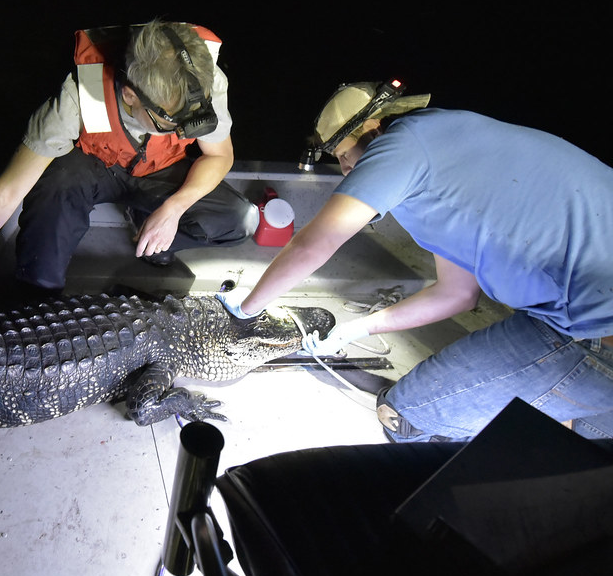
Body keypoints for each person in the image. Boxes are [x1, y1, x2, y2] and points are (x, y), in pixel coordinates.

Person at [219, 80, 613, 442]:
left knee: (403, 416)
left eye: (344, 155)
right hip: (583, 314)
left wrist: (247, 308)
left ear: (373, 131)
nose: (345, 170)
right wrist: (360, 328)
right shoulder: (451, 153)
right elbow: (456, 294)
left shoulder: (403, 145)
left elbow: (313, 246)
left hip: (594, 332)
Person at [0, 20, 257, 337]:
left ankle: (151, 229)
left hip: (159, 170)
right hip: (92, 164)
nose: (187, 132)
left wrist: (174, 207)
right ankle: (38, 299)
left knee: (241, 219)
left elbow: (219, 154)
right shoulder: (74, 98)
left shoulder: (201, 83)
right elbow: (5, 193)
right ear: (131, 95)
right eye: (172, 122)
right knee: (50, 188)